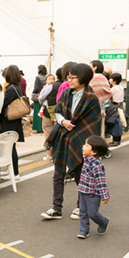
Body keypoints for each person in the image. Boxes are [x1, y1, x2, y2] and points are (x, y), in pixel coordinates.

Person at [42, 63, 101, 220]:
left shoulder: (91, 98)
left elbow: (93, 123)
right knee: (58, 173)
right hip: (64, 135)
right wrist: (63, 122)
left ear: (82, 78)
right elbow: (58, 111)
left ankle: (80, 206)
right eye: (68, 77)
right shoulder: (66, 93)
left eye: (72, 77)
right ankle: (56, 208)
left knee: (79, 175)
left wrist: (90, 143)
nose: (69, 80)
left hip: (81, 139)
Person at [77, 136, 110, 239]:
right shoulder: (86, 158)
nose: (83, 147)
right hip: (82, 191)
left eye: (86, 145)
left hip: (93, 194)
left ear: (94, 152)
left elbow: (101, 181)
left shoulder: (97, 165)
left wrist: (105, 195)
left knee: (92, 213)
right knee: (82, 212)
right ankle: (84, 230)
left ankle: (104, 221)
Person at [0, 65, 25, 181]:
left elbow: (3, 105)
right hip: (15, 121)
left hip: (10, 121)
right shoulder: (16, 86)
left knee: (11, 146)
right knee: (11, 146)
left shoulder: (11, 89)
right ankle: (12, 171)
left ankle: (15, 173)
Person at [89, 60, 112, 139]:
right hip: (102, 106)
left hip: (92, 107)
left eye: (90, 66)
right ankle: (101, 148)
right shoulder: (103, 77)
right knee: (101, 129)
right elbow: (108, 90)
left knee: (92, 130)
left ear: (95, 68)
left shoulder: (92, 77)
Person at [106, 73, 124, 146]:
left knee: (115, 123)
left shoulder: (114, 88)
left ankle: (115, 140)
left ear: (114, 81)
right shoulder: (120, 87)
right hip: (120, 106)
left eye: (110, 78)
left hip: (115, 107)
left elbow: (108, 96)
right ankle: (118, 140)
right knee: (119, 123)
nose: (109, 80)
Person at [32, 64, 47, 134]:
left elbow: (37, 88)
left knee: (37, 113)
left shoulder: (38, 77)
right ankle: (43, 128)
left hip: (38, 97)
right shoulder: (46, 77)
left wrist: (33, 92)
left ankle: (39, 129)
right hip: (44, 97)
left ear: (39, 70)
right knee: (42, 113)